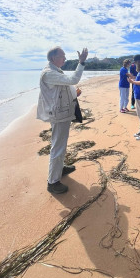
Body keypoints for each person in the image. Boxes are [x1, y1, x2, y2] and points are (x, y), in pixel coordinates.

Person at [37, 46, 88, 194]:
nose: (65, 58)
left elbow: (61, 89)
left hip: (61, 113)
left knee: (61, 143)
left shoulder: (55, 71)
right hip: (59, 115)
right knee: (58, 146)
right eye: (62, 56)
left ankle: (61, 167)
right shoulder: (49, 73)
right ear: (53, 58)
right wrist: (81, 62)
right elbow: (73, 79)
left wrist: (73, 93)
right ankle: (52, 182)